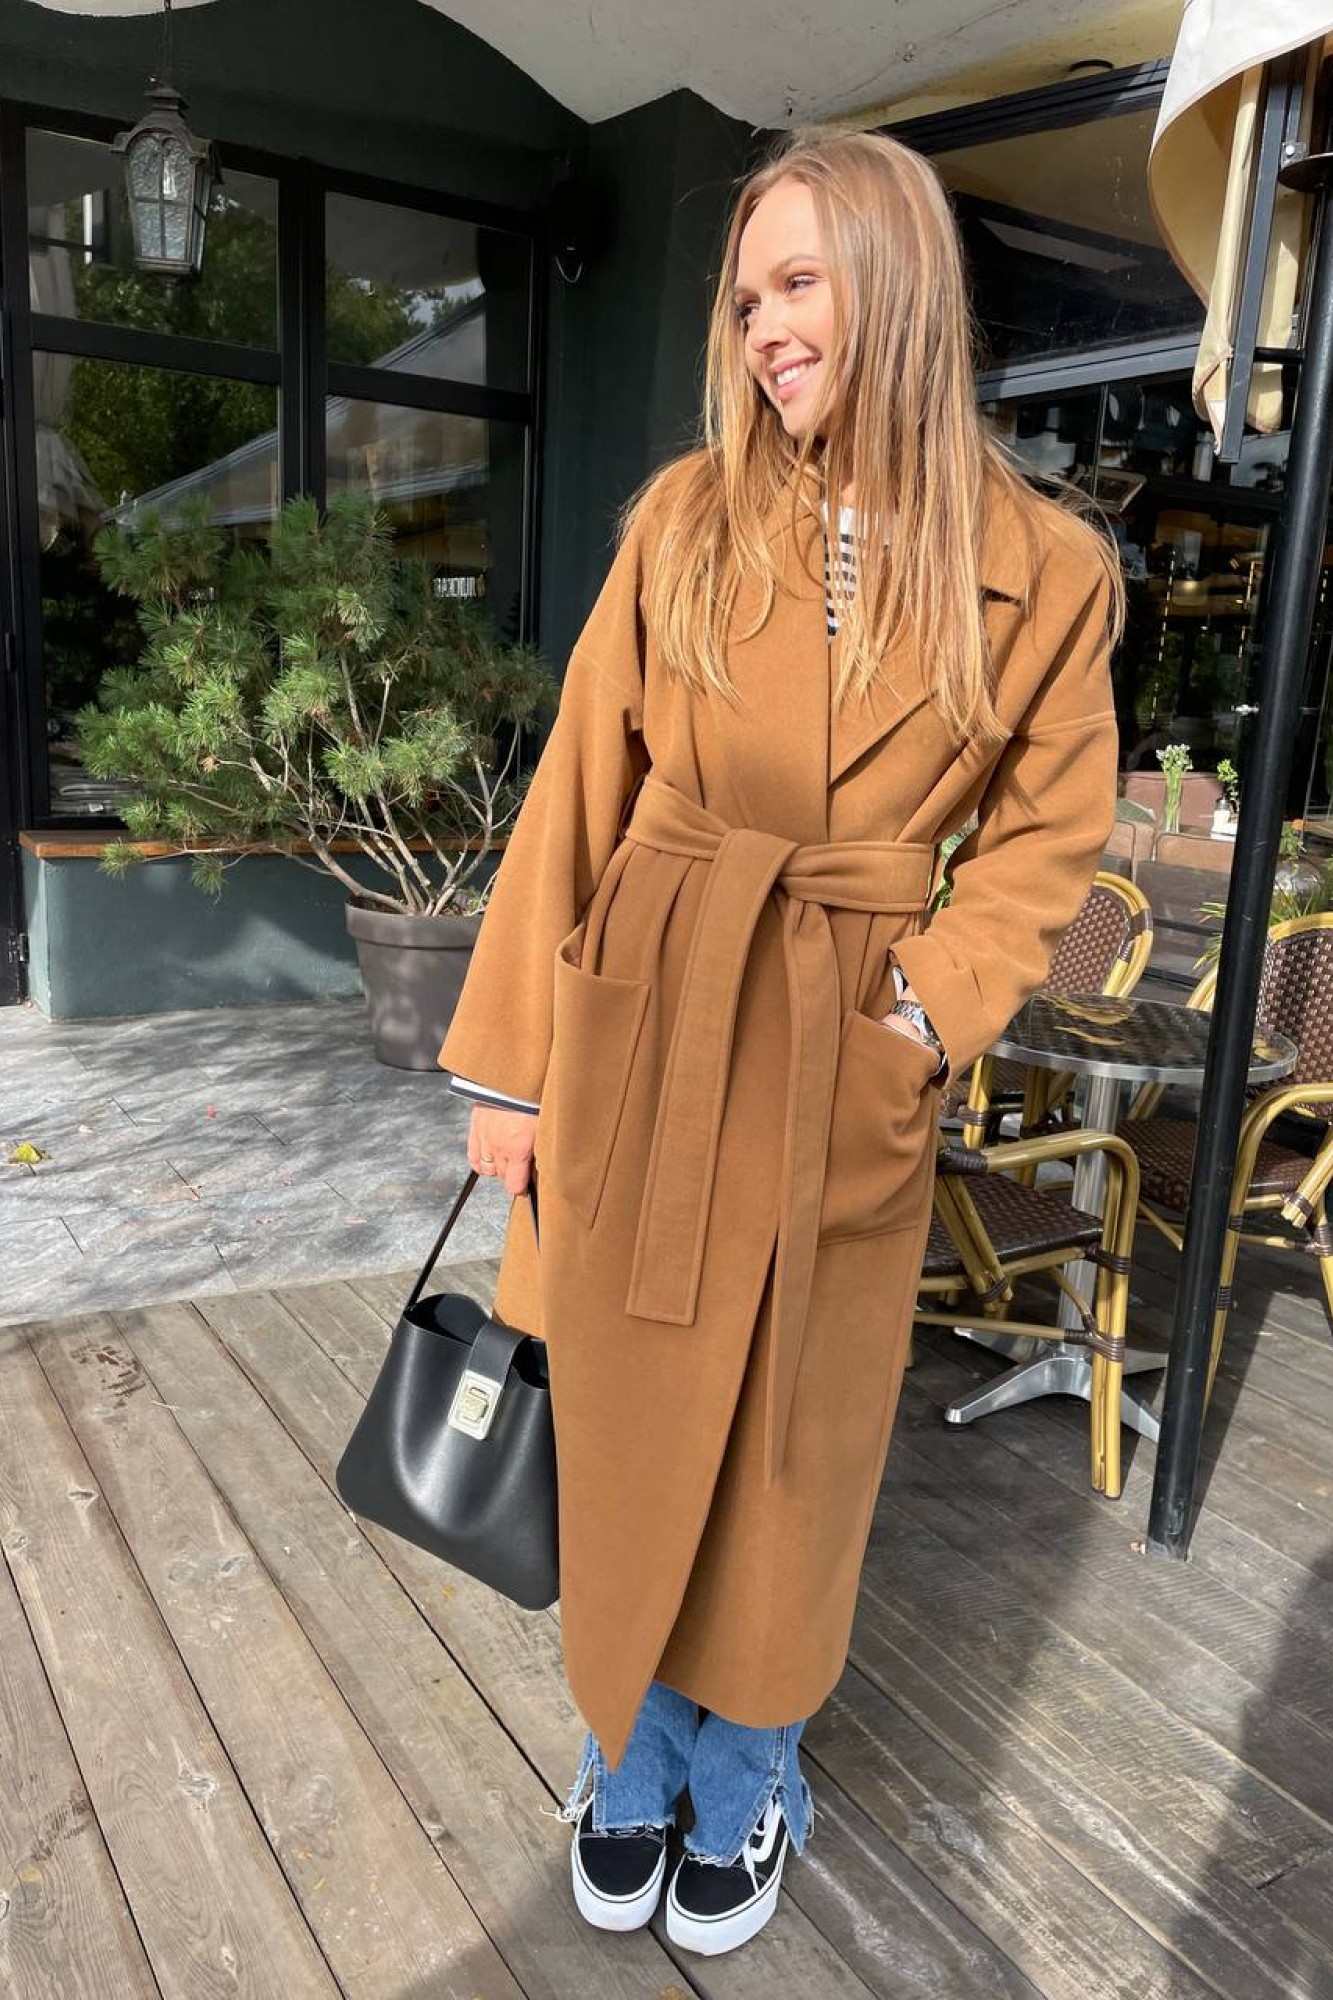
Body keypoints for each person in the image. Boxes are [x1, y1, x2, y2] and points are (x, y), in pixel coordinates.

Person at [438, 127, 1122, 1957]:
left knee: (787, 1455)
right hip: (648, 1017)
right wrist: (513, 1067)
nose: (763, 330)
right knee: (631, 1416)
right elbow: (578, 790)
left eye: (797, 283)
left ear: (895, 282)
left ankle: (743, 1775)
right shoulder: (683, 520)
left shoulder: (1045, 568)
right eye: (745, 300)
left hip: (841, 1043)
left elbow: (1048, 837)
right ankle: (630, 1752)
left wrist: (920, 1012)